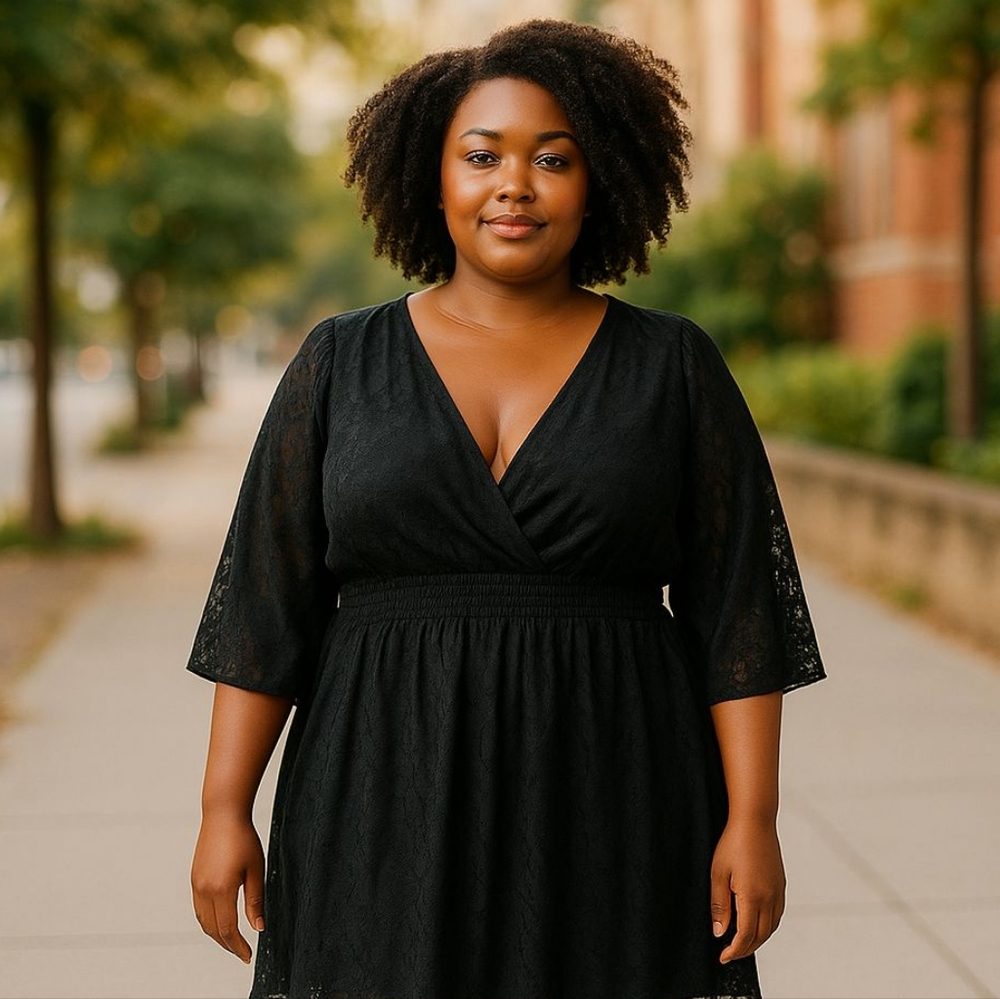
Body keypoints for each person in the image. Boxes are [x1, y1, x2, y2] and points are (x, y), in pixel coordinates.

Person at [187, 18, 825, 999]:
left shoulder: (672, 367)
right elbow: (265, 605)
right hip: (381, 783)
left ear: (600, 177)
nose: (513, 184)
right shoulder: (339, 363)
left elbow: (737, 609)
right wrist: (224, 809)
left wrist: (752, 819)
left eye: (552, 158)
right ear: (432, 178)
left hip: (614, 780)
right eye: (479, 156)